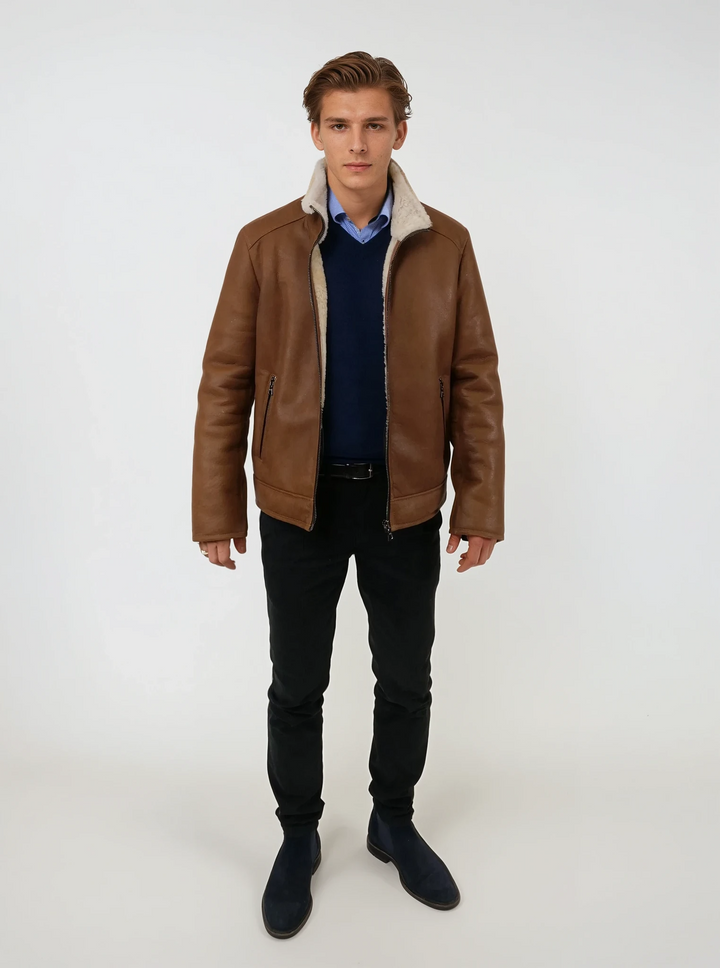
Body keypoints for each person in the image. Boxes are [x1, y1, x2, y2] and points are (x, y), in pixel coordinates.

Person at [191, 50, 505, 939]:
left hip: (406, 503)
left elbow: (475, 378)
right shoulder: (266, 243)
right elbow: (226, 379)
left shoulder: (446, 245)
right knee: (297, 683)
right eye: (339, 125)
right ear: (316, 134)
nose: (356, 144)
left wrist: (480, 503)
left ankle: (392, 820)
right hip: (300, 504)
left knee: (405, 678)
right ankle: (298, 835)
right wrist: (216, 506)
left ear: (400, 131)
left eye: (373, 125)